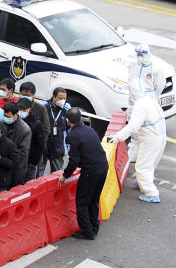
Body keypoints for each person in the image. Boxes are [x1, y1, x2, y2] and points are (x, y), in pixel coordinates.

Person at [60, 108, 108, 240]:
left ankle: (87, 231)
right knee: (94, 199)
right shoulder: (90, 130)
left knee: (82, 201)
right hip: (103, 167)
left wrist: (65, 175)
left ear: (68, 121)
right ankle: (94, 227)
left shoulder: (72, 136)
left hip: (90, 171)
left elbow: (74, 161)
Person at [110, 87, 166, 203]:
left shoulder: (140, 106)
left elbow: (132, 127)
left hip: (150, 139)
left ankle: (151, 193)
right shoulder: (150, 100)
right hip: (160, 136)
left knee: (142, 166)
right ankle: (144, 182)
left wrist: (117, 138)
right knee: (150, 163)